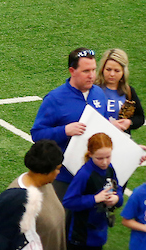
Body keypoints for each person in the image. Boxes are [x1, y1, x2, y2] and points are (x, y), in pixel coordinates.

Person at [32, 48, 98, 199]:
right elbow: (37, 134)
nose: (92, 75)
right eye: (86, 71)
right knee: (60, 221)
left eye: (94, 70)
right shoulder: (55, 99)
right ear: (72, 71)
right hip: (63, 178)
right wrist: (64, 131)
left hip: (93, 175)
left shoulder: (99, 95)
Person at [64, 134, 122, 250]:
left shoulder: (109, 169)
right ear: (90, 154)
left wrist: (117, 199)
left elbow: (117, 188)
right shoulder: (84, 174)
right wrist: (94, 199)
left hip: (99, 232)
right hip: (81, 236)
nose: (105, 162)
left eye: (108, 157)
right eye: (100, 158)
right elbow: (68, 201)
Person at [92, 48, 143, 132]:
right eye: (108, 69)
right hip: (97, 139)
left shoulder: (128, 91)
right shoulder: (93, 89)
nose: (112, 74)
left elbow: (140, 118)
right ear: (102, 69)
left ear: (123, 72)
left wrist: (129, 122)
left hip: (121, 139)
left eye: (117, 71)